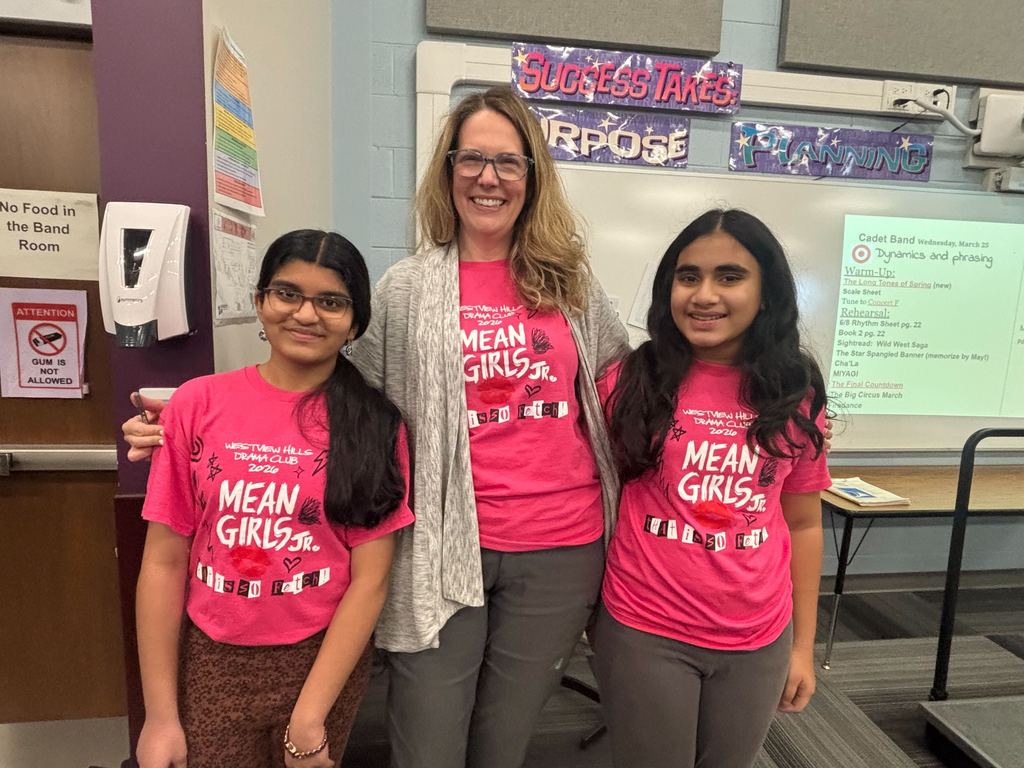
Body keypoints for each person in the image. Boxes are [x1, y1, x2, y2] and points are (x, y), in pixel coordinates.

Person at [133, 230, 413, 768]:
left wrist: (309, 720)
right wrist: (160, 717)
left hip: (321, 662)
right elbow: (164, 563)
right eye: (287, 293)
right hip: (212, 658)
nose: (306, 314)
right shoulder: (198, 403)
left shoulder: (374, 425)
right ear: (260, 301)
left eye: (331, 301)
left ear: (355, 322)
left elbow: (370, 579)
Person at [592, 209, 830, 768]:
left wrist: (801, 647)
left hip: (758, 636)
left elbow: (803, 522)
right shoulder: (628, 380)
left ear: (765, 292)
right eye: (687, 275)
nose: (704, 295)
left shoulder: (794, 391)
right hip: (645, 628)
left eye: (729, 276)